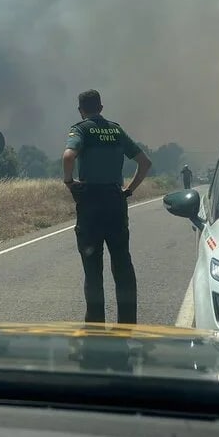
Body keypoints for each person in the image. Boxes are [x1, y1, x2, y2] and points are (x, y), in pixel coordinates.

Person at [62, 89, 152, 325]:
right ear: (101, 108)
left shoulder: (81, 129)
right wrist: (129, 190)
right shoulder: (116, 129)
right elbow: (145, 162)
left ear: (81, 110)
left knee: (93, 269)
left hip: (90, 202)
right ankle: (128, 324)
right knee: (122, 263)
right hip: (115, 201)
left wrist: (69, 182)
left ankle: (95, 325)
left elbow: (68, 156)